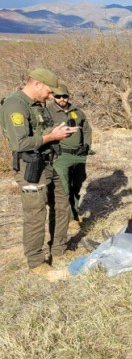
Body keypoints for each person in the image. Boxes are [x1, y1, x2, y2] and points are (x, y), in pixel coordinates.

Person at [1, 68, 77, 275]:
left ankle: (59, 249)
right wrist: (52, 137)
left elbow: (40, 131)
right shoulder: (15, 104)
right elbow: (20, 143)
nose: (51, 96)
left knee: (62, 205)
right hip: (30, 167)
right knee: (35, 214)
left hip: (48, 162)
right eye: (49, 91)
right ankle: (36, 262)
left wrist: (56, 133)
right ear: (36, 84)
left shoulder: (37, 105)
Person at [48, 83, 92, 225]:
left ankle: (74, 211)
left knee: (77, 185)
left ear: (68, 96)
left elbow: (86, 129)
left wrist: (86, 145)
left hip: (79, 155)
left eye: (64, 96)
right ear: (54, 97)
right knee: (63, 188)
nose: (62, 99)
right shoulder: (48, 112)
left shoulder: (77, 111)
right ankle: (68, 220)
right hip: (61, 155)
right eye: (58, 96)